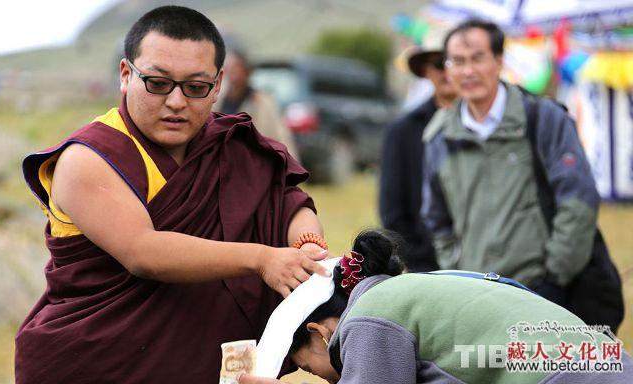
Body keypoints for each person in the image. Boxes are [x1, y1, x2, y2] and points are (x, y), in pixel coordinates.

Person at [16, 6, 330, 384]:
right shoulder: (87, 158)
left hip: (209, 363)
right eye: (158, 83)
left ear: (218, 86)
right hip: (97, 363)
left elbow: (288, 203)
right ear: (125, 75)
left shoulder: (233, 144)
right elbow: (143, 251)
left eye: (196, 87)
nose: (177, 102)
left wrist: (306, 244)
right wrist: (262, 258)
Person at [421, 20, 622, 330]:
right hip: (481, 300)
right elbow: (437, 220)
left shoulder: (544, 119)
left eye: (477, 58)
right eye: (457, 61)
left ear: (499, 61)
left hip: (552, 294)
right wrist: (460, 273)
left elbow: (578, 201)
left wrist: (554, 278)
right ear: (447, 69)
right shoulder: (439, 137)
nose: (468, 71)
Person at [239, 230, 633, 383]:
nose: (325, 379)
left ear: (320, 332)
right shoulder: (424, 287)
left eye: (309, 367)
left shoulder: (367, 317)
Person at [378, 37, 457, 272]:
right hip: (429, 267)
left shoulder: (492, 126)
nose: (447, 71)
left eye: (455, 61)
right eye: (439, 63)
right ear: (426, 71)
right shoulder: (402, 131)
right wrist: (420, 258)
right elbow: (393, 211)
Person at [215, 47, 299, 159]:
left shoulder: (262, 102)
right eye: (230, 69)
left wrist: (292, 169)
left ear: (248, 72)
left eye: (237, 68)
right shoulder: (217, 99)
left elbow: (281, 137)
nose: (233, 74)